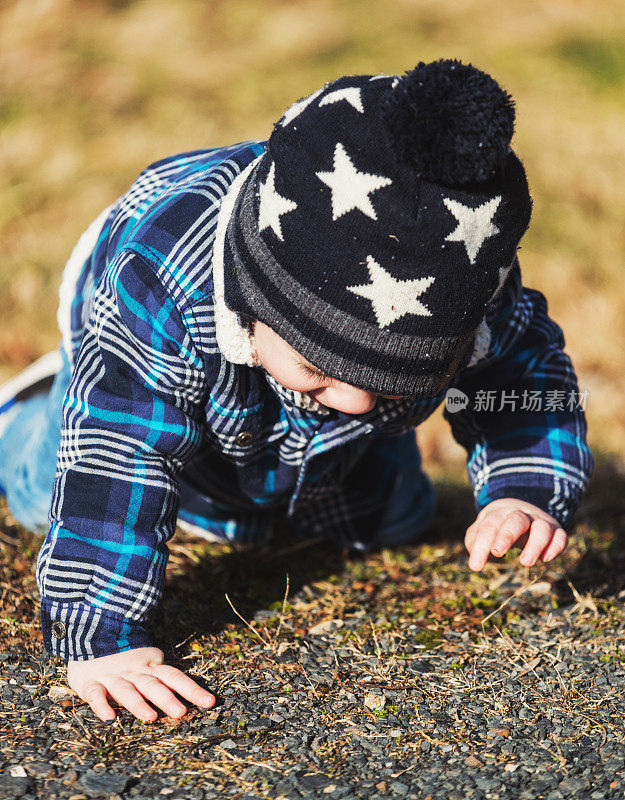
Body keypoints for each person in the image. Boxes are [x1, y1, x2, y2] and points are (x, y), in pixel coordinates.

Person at [0, 59, 594, 723]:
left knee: (390, 519)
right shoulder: (162, 280)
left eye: (397, 380)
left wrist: (525, 489)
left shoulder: (462, 281)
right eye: (324, 372)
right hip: (137, 370)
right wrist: (99, 639)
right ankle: (26, 408)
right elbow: (118, 456)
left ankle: (298, 453)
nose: (356, 402)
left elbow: (520, 376)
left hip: (307, 425)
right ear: (257, 304)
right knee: (42, 480)